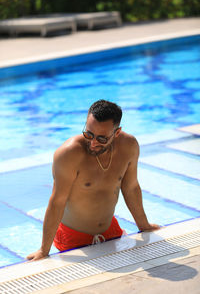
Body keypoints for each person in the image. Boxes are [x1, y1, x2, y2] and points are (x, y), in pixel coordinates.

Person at [27, 99, 159, 261]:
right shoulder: (69, 154)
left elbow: (130, 187)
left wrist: (143, 226)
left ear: (116, 133)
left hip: (110, 229)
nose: (93, 142)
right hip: (72, 236)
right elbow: (57, 201)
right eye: (88, 134)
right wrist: (43, 250)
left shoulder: (128, 145)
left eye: (102, 138)